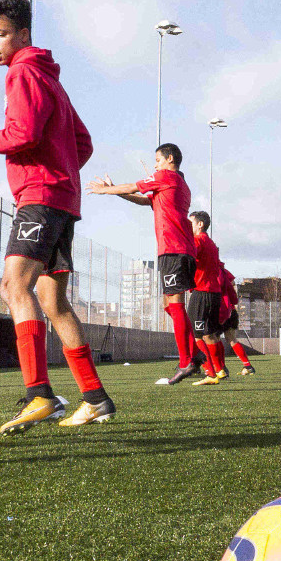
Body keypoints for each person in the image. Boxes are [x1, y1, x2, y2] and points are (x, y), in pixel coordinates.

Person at [0, 0, 115, 434]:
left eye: (1, 34)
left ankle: (39, 394)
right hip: (61, 200)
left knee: (15, 284)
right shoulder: (51, 78)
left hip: (40, 197)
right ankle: (96, 398)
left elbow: (24, 133)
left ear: (24, 34)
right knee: (52, 301)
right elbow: (83, 143)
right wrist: (63, 171)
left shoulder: (23, 73)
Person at [90, 145, 198, 385]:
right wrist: (115, 191)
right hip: (180, 250)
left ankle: (186, 361)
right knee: (169, 305)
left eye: (158, 160)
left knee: (176, 305)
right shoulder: (177, 184)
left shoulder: (166, 176)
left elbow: (133, 186)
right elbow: (142, 199)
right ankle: (194, 354)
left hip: (174, 249)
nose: (156, 164)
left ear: (170, 159)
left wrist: (104, 191)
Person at [186, 210, 231, 386]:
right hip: (214, 293)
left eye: (190, 223)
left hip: (202, 293)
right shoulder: (211, 243)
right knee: (210, 334)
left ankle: (210, 373)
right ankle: (220, 370)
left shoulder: (198, 240)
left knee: (196, 335)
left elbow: (188, 258)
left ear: (200, 224)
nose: (187, 227)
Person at [215, 265, 257, 376]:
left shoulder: (212, 271)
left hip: (219, 310)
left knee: (214, 339)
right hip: (231, 310)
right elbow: (233, 283)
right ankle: (247, 366)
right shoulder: (224, 271)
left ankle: (221, 368)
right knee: (232, 339)